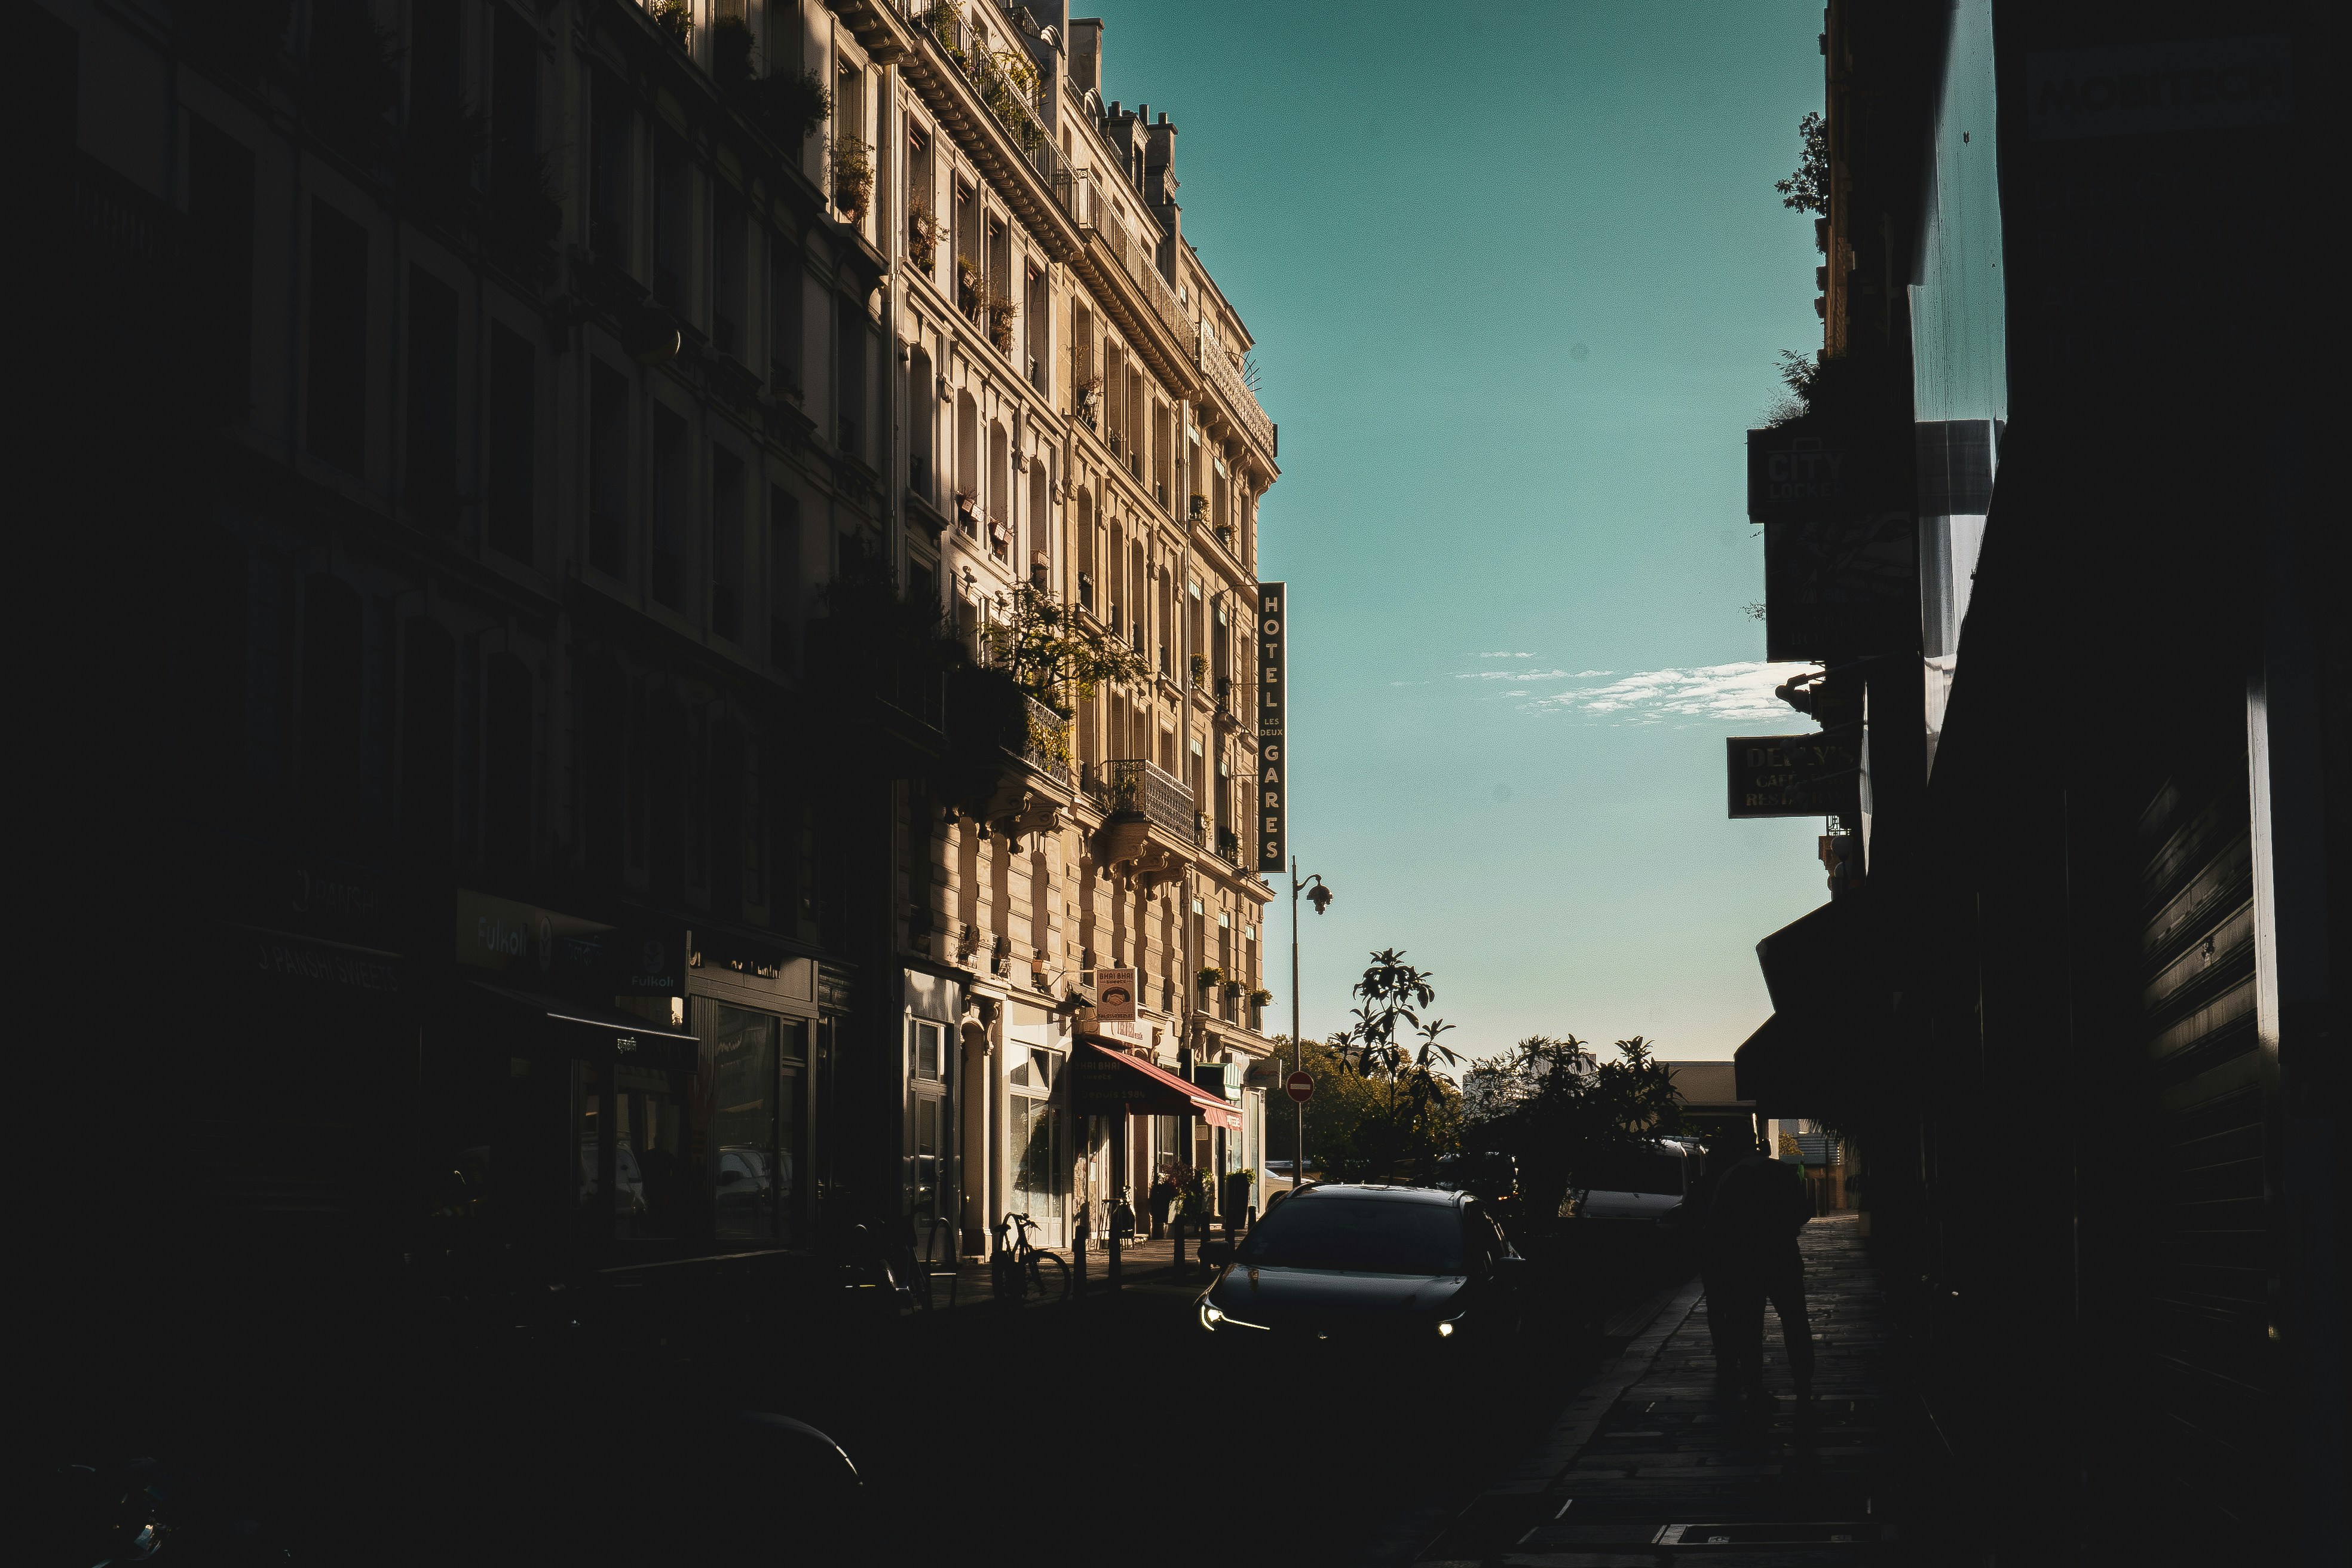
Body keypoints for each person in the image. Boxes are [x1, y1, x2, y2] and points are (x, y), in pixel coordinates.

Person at [1705, 1131, 1816, 1416]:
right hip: (1782, 1256)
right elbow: (1804, 1211)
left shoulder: (1730, 1176)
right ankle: (1803, 1386)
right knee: (1795, 1322)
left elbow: (1716, 1223)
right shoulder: (1782, 1172)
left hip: (1743, 1262)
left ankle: (1755, 1387)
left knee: (1748, 1326)